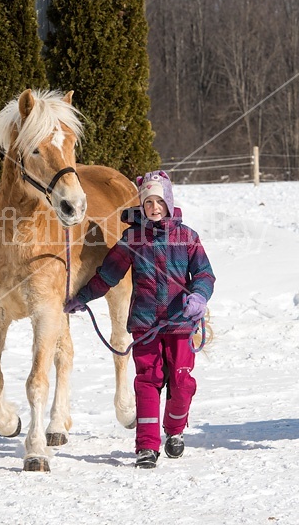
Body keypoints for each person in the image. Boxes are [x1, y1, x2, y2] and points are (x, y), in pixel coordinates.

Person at [64, 170, 215, 469]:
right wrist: (83, 297)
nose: (154, 207)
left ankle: (174, 430)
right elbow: (108, 274)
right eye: (148, 202)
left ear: (169, 203)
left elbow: (204, 273)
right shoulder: (132, 239)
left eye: (159, 201)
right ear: (142, 206)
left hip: (181, 323)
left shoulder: (187, 237)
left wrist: (199, 296)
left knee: (182, 381)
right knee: (148, 381)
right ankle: (147, 446)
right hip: (145, 324)